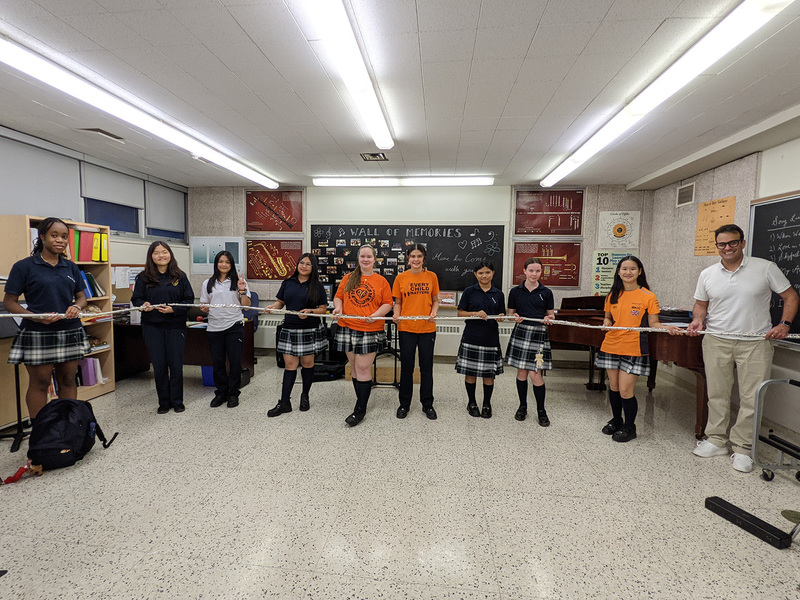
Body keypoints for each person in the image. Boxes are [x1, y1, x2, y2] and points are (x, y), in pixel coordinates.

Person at [687, 224, 798, 472]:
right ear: (717, 246)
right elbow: (701, 305)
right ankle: (716, 440)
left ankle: (743, 448)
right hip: (716, 340)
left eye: (732, 243)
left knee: (752, 397)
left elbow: (791, 297)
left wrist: (784, 324)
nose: (727, 248)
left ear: (742, 242)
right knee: (716, 393)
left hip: (755, 342)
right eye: (722, 244)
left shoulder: (764, 268)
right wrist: (697, 320)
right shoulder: (708, 274)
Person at [3, 217, 91, 419]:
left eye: (63, 236)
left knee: (68, 380)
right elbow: (10, 302)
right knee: (40, 383)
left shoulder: (71, 267)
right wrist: (36, 317)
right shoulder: (24, 267)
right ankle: (41, 432)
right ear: (42, 237)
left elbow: (81, 297)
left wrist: (76, 307)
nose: (60, 240)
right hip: (37, 332)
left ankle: (66, 426)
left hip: (70, 330)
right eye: (54, 235)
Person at [596, 256, 679, 443]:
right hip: (611, 345)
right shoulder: (613, 294)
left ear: (639, 271)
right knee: (614, 387)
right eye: (624, 269)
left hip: (633, 348)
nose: (628, 272)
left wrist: (668, 328)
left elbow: (654, 323)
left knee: (626, 390)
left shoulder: (648, 296)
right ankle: (616, 420)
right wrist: (607, 321)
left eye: (632, 269)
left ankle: (629, 427)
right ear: (618, 272)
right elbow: (608, 317)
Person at [332, 245, 393, 427]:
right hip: (347, 327)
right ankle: (361, 402)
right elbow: (338, 297)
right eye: (362, 257)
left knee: (363, 367)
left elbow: (387, 304)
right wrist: (338, 308)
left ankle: (360, 410)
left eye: (369, 257)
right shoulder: (348, 278)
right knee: (355, 368)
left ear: (375, 259)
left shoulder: (381, 281)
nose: (365, 260)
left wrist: (374, 316)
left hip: (370, 329)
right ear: (358, 259)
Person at [131, 241, 194, 414]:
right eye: (157, 253)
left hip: (175, 325)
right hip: (152, 326)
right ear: (151, 256)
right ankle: (164, 402)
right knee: (159, 365)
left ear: (170, 254)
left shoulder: (179, 276)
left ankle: (177, 401)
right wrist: (143, 304)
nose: (161, 256)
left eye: (164, 252)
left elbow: (189, 300)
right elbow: (136, 299)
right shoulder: (143, 277)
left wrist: (173, 309)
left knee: (175, 364)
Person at [264, 253, 328, 416]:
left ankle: (305, 396)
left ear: (313, 268)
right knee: (290, 365)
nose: (304, 266)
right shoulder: (288, 283)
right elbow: (280, 302)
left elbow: (323, 308)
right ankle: (285, 402)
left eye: (308, 264)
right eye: (301, 263)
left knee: (307, 363)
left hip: (309, 329)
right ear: (297, 265)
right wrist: (273, 307)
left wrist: (311, 311)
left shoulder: (317, 286)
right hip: (290, 328)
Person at [392, 244, 439, 420]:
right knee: (407, 368)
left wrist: (434, 313)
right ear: (408, 258)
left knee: (426, 368)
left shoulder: (432, 277)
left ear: (424, 258)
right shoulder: (400, 278)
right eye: (413, 256)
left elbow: (435, 300)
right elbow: (397, 303)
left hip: (427, 329)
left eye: (419, 256)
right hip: (406, 329)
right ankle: (404, 404)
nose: (416, 259)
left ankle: (427, 404)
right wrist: (396, 315)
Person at [506, 258, 555, 426]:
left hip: (539, 337)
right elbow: (510, 313)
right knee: (522, 373)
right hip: (521, 334)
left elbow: (551, 315)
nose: (535, 274)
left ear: (541, 272)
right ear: (524, 271)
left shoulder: (546, 292)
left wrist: (549, 318)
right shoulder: (515, 292)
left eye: (538, 271)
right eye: (531, 271)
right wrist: (514, 317)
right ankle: (522, 407)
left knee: (536, 374)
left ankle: (541, 410)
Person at [199, 250, 251, 409]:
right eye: (221, 261)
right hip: (214, 327)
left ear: (231, 264)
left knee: (235, 362)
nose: (223, 264)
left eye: (227, 262)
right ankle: (221, 392)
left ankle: (233, 393)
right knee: (218, 362)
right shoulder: (207, 283)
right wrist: (204, 309)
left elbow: (246, 306)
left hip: (234, 326)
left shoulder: (239, 281)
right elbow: (204, 305)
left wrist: (242, 290)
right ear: (216, 263)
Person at [456, 260, 505, 419]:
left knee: (488, 374)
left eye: (487, 272)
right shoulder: (469, 291)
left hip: (490, 338)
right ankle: (471, 402)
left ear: (493, 273)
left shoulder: (499, 294)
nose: (484, 276)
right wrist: (475, 313)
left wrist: (501, 317)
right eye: (481, 273)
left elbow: (501, 315)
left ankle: (486, 403)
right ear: (476, 274)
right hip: (471, 337)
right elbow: (460, 313)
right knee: (470, 372)